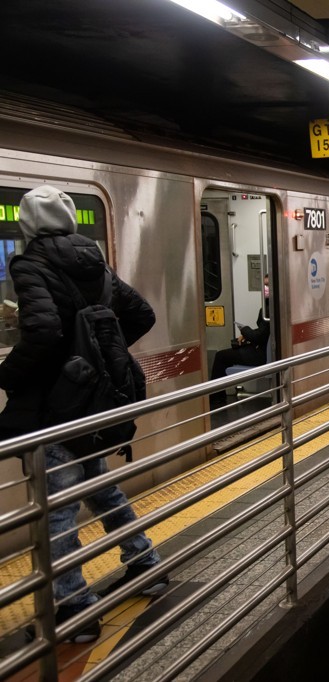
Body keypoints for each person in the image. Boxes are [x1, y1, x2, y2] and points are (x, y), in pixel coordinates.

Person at [0, 185, 166, 642]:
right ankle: (146, 565)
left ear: (29, 223)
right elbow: (142, 314)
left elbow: (45, 330)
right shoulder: (94, 260)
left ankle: (75, 609)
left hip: (57, 406)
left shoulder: (30, 262)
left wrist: (9, 374)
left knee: (55, 510)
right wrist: (96, 356)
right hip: (94, 403)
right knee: (102, 488)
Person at [209, 302, 271, 407]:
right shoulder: (272, 308)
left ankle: (216, 398)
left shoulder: (268, 310)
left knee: (220, 356)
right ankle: (218, 396)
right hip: (260, 350)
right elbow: (263, 332)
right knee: (224, 356)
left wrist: (244, 329)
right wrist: (246, 334)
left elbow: (257, 337)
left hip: (258, 354)